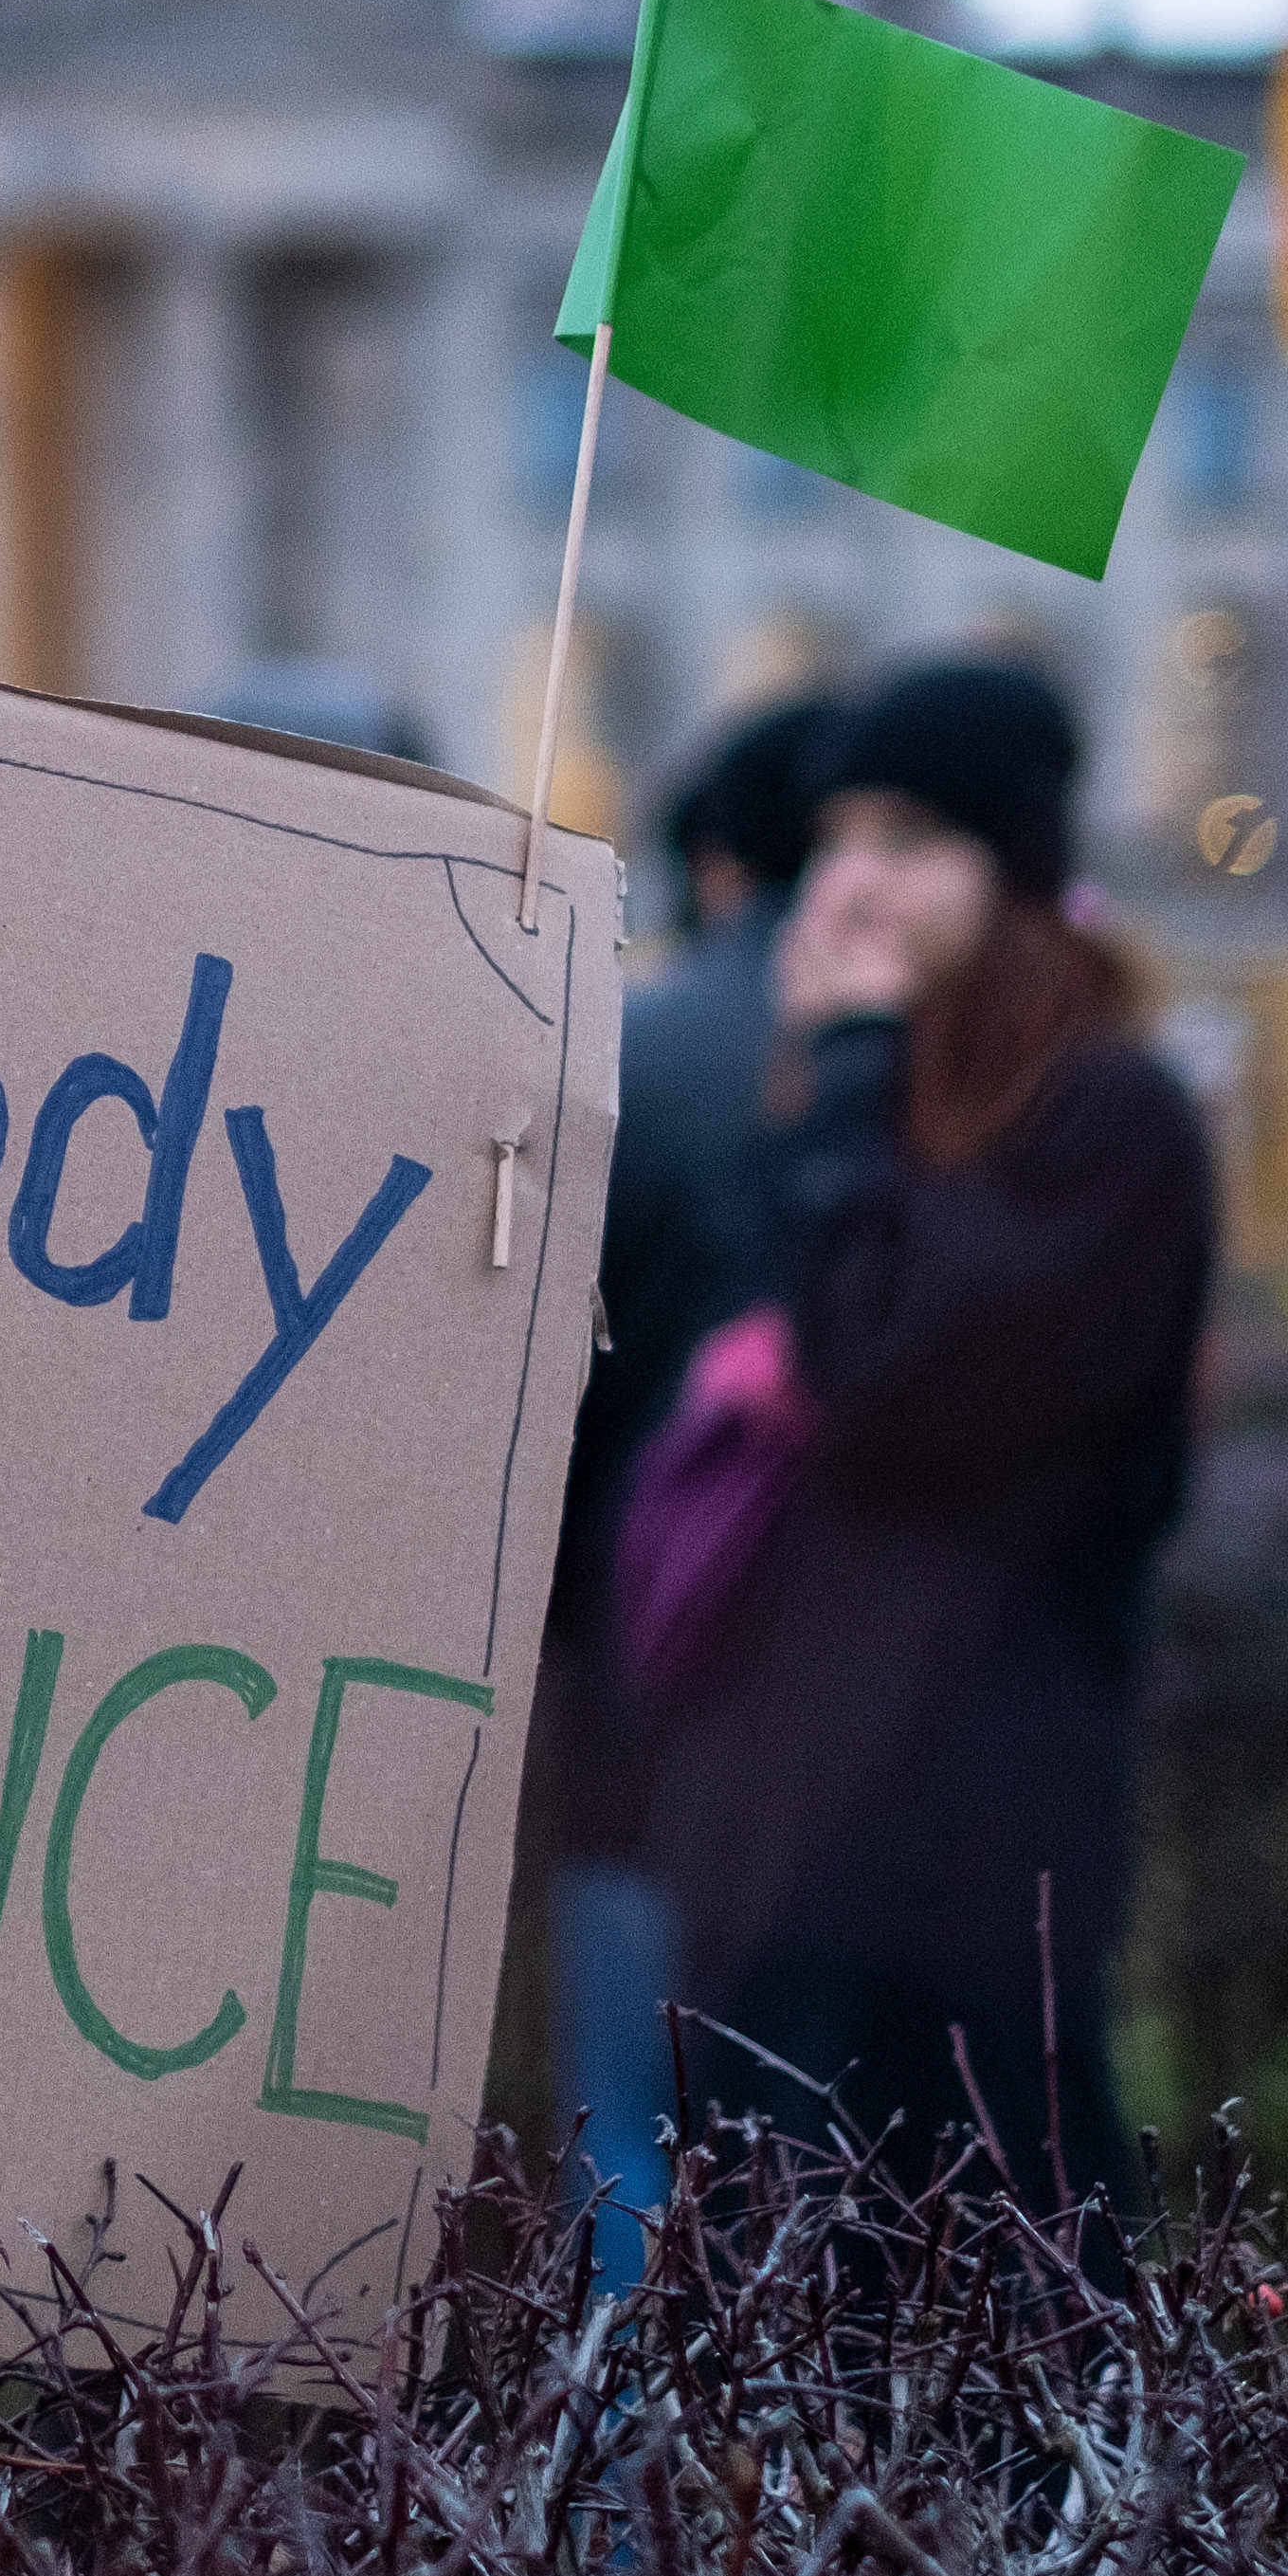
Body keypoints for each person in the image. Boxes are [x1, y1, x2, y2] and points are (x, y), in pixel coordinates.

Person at [640, 664, 1210, 2222]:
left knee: (985, 2309)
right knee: (783, 2326)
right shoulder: (862, 1092)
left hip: (970, 1841)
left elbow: (891, 1379)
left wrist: (841, 1078)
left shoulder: (1109, 1120)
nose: (852, 880)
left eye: (905, 835)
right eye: (835, 838)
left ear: (1005, 865)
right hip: (785, 1823)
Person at [513, 699, 840, 2234]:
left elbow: (545, 1394)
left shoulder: (629, 1056)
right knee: (846, 2140)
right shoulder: (937, 1064)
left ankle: (624, 2455)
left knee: (628, 2136)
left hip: (637, 1695)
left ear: (709, 860)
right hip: (865, 1708)